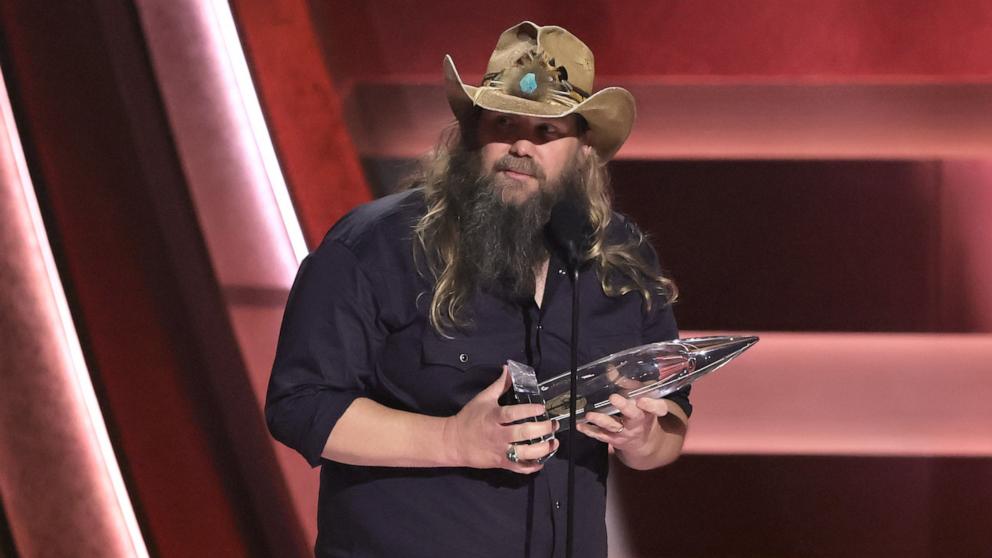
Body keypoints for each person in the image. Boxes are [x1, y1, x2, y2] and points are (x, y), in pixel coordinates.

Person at [266, 21, 691, 558]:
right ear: (471, 132)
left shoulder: (618, 258)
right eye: (503, 122)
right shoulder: (375, 245)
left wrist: (642, 438)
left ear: (585, 150)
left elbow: (669, 425)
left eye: (546, 132)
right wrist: (454, 440)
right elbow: (300, 406)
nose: (519, 145)